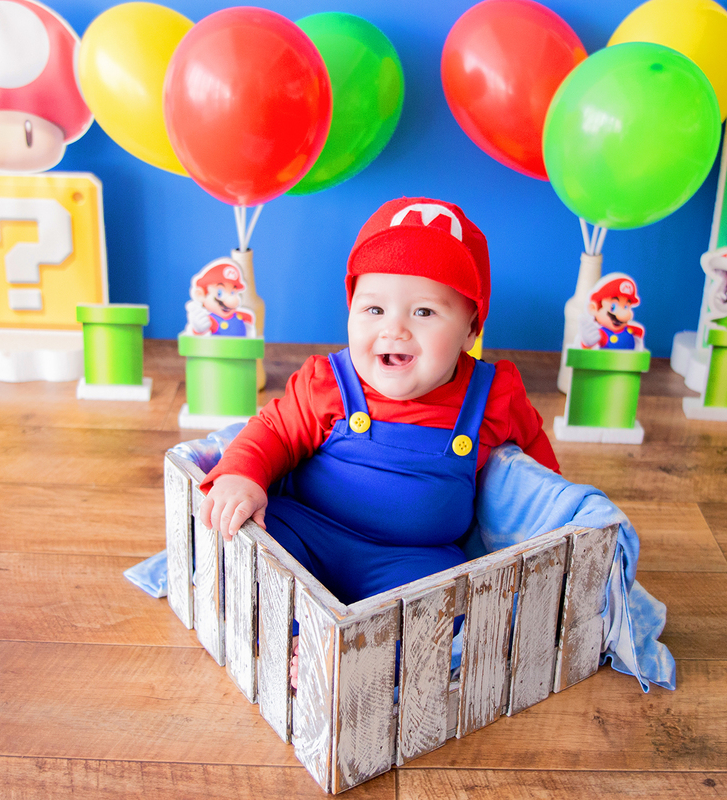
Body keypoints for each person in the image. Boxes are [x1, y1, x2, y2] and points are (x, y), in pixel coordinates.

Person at [198, 198, 560, 683]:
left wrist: (556, 524)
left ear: (471, 329)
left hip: (413, 557)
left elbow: (536, 465)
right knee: (257, 541)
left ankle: (354, 659)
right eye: (373, 308)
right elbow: (274, 430)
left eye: (425, 311)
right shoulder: (328, 381)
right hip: (312, 530)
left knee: (444, 603)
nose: (395, 328)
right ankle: (292, 635)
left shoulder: (491, 395)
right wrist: (242, 475)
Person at [578, 272, 645, 350]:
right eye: (613, 307)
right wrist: (586, 344)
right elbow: (587, 350)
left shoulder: (634, 330)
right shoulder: (602, 334)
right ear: (594, 308)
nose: (624, 314)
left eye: (626, 307)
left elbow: (639, 339)